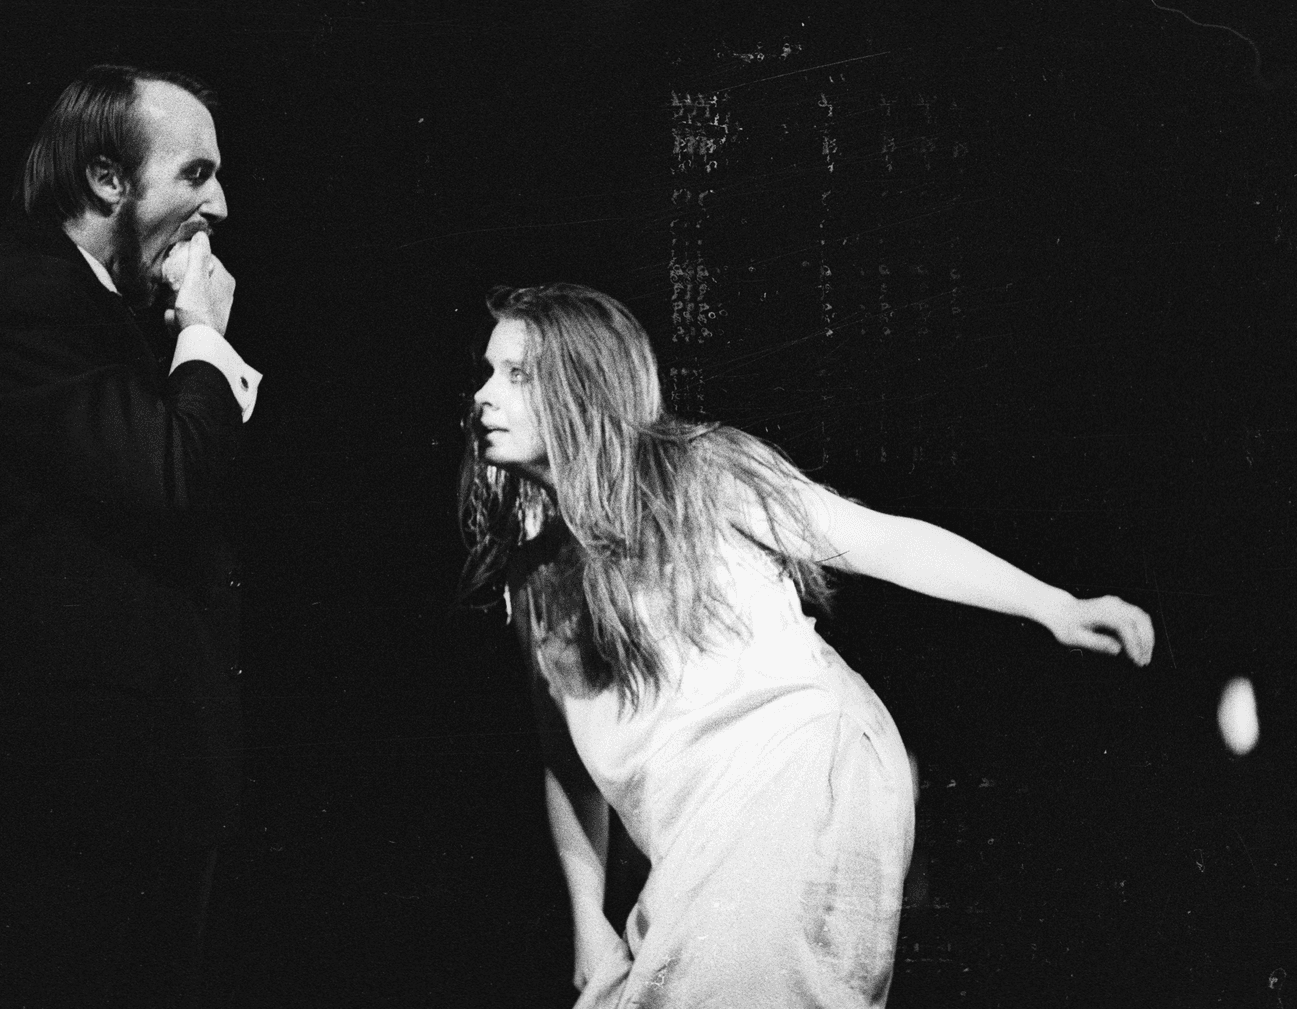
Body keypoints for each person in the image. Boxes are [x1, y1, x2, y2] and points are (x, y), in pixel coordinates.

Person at [459, 283, 1154, 1007]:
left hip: (804, 770)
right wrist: (587, 918)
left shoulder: (703, 473)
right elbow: (567, 762)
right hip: (701, 835)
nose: (482, 396)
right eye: (488, 372)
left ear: (583, 388)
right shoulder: (535, 581)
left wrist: (1054, 605)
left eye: (518, 374)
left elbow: (877, 540)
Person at [0, 65, 259, 1005]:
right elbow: (174, 477)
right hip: (68, 820)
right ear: (107, 177)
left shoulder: (87, 303)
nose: (219, 204)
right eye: (195, 174)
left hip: (119, 809)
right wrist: (205, 333)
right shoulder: (23, 298)